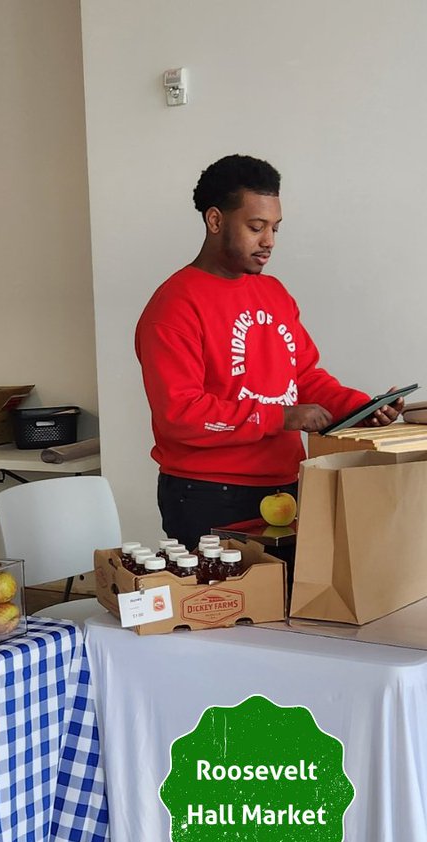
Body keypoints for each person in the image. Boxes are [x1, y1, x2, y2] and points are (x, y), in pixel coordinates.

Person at [135, 154, 404, 552]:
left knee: (293, 593)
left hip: (286, 485)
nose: (269, 242)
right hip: (208, 494)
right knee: (230, 596)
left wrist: (360, 409)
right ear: (215, 221)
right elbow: (180, 414)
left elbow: (304, 377)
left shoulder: (274, 293)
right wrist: (280, 417)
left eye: (275, 228)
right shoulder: (174, 307)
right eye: (256, 227)